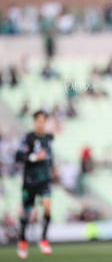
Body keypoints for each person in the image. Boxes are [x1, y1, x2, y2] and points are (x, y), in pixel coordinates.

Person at [15, 110, 57, 259]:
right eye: (38, 120)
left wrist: (53, 168)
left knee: (47, 207)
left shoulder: (49, 138)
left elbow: (49, 156)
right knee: (27, 214)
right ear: (34, 122)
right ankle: (22, 241)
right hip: (30, 181)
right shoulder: (28, 138)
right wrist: (34, 157)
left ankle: (44, 239)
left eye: (43, 120)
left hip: (44, 179)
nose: (41, 123)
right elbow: (18, 156)